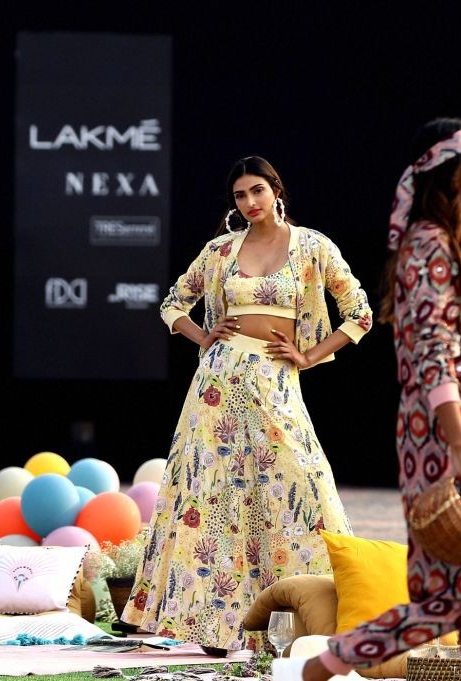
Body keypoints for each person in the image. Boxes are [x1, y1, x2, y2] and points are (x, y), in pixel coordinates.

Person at [273, 117, 461, 681]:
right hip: (449, 431)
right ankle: (331, 661)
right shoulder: (426, 246)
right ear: (443, 167)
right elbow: (431, 353)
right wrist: (460, 446)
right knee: (453, 598)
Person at [121, 155, 373, 655]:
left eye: (257, 190)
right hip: (217, 384)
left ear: (276, 191)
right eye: (240, 195)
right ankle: (214, 627)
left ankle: (333, 614)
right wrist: (202, 334)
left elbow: (359, 312)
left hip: (275, 382)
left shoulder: (313, 247)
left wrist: (308, 356)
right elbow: (173, 301)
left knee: (299, 484)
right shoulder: (221, 250)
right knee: (211, 499)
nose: (250, 202)